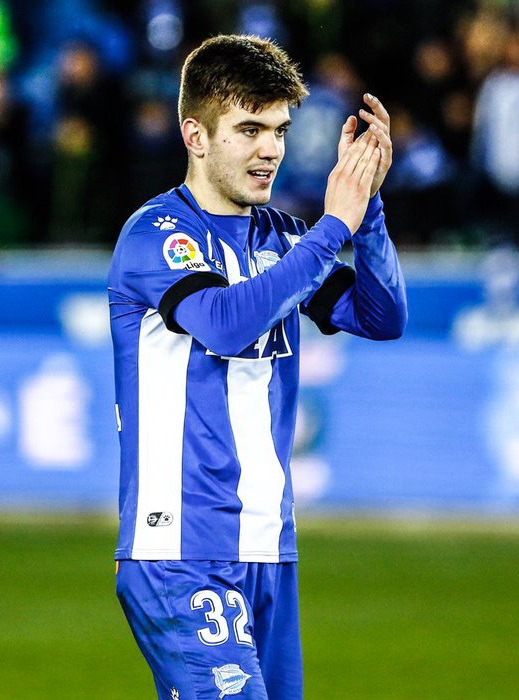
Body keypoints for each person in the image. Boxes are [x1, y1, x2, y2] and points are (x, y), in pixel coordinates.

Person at [108, 34, 407, 700]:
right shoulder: (156, 235)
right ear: (196, 136)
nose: (270, 149)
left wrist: (367, 210)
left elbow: (381, 316)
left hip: (268, 544)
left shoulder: (283, 239)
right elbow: (223, 322)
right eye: (249, 129)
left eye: (279, 130)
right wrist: (333, 228)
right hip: (180, 549)